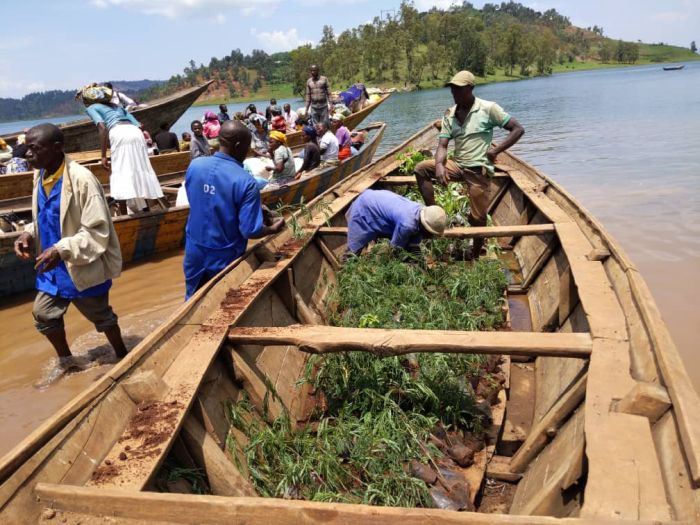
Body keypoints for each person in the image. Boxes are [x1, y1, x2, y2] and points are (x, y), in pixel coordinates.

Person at [13, 124, 127, 369]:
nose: (28, 155)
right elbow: (44, 215)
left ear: (57, 148)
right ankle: (68, 362)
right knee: (44, 315)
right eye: (27, 149)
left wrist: (62, 249)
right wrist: (28, 233)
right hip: (52, 265)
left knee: (102, 317)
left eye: (34, 149)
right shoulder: (40, 174)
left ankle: (123, 356)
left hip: (80, 262)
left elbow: (97, 230)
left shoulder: (82, 180)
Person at [414, 70, 524, 260]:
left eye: (459, 90)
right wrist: (439, 165)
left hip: (478, 171)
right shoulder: (450, 114)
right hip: (457, 165)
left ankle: (474, 254)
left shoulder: (488, 108)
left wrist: (496, 151)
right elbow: (442, 144)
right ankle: (435, 214)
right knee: (421, 168)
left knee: (478, 218)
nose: (455, 94)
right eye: (453, 90)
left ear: (471, 88)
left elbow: (517, 129)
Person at [183, 121, 284, 299]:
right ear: (238, 146)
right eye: (247, 146)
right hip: (223, 256)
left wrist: (253, 208)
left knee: (192, 298)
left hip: (194, 251)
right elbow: (249, 230)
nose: (248, 152)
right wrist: (272, 229)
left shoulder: (195, 166)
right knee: (223, 301)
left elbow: (201, 201)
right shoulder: (246, 182)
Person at [80, 85, 165, 215]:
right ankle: (151, 208)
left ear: (89, 100)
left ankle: (124, 216)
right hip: (135, 133)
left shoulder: (92, 107)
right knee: (140, 169)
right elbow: (140, 126)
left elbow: (102, 128)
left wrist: (103, 155)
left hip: (118, 132)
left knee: (120, 171)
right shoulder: (117, 106)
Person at [345, 189, 447, 256]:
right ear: (425, 227)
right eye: (431, 234)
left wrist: (418, 259)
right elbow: (395, 249)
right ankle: (344, 275)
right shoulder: (407, 225)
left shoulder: (420, 212)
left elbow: (413, 244)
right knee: (353, 251)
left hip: (377, 200)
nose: (431, 237)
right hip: (365, 208)